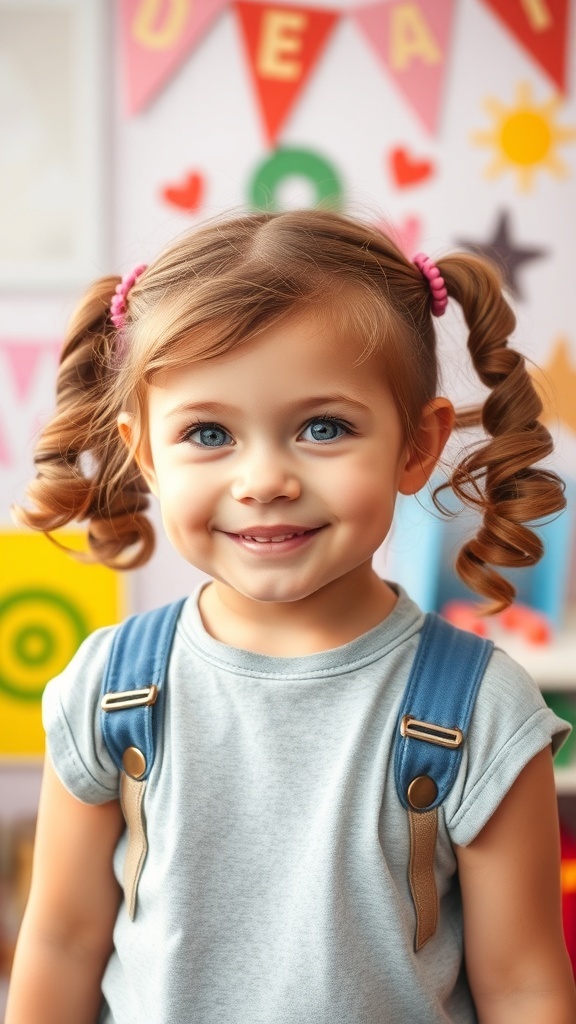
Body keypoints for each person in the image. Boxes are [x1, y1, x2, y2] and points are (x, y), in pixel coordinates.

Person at [6, 209, 575, 1024]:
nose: (264, 479)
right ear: (146, 454)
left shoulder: (481, 710)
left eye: (323, 427)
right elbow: (60, 941)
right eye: (208, 433)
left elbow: (523, 986)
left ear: (417, 446)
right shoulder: (110, 689)